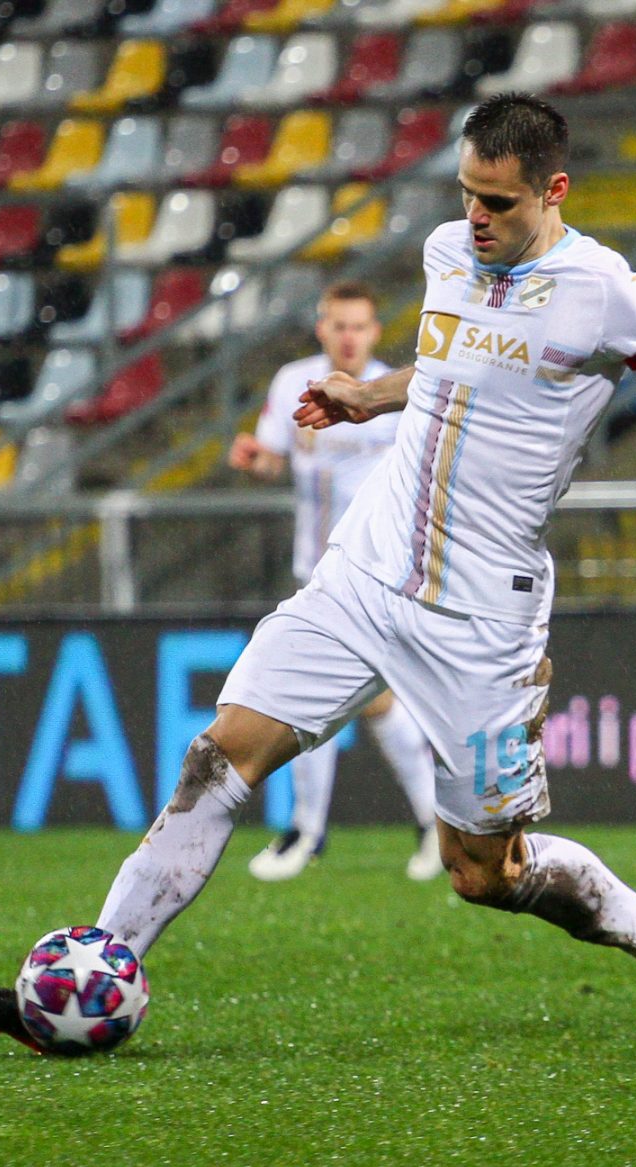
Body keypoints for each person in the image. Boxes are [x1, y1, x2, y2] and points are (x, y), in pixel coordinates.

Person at [0, 92, 636, 1048]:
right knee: (220, 756)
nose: (475, 217)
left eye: (498, 202)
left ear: (555, 191)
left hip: (481, 617)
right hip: (365, 572)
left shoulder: (609, 294)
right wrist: (369, 397)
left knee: (483, 873)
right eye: (466, 193)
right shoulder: (449, 252)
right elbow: (450, 363)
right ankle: (91, 982)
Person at [226, 280, 444, 883]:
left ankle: (310, 833)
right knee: (364, 701)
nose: (349, 337)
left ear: (374, 332)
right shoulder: (292, 383)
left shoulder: (394, 392)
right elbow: (276, 459)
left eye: (359, 326)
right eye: (339, 325)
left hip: (378, 571)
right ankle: (428, 825)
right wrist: (255, 460)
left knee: (313, 693)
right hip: (314, 568)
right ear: (322, 328)